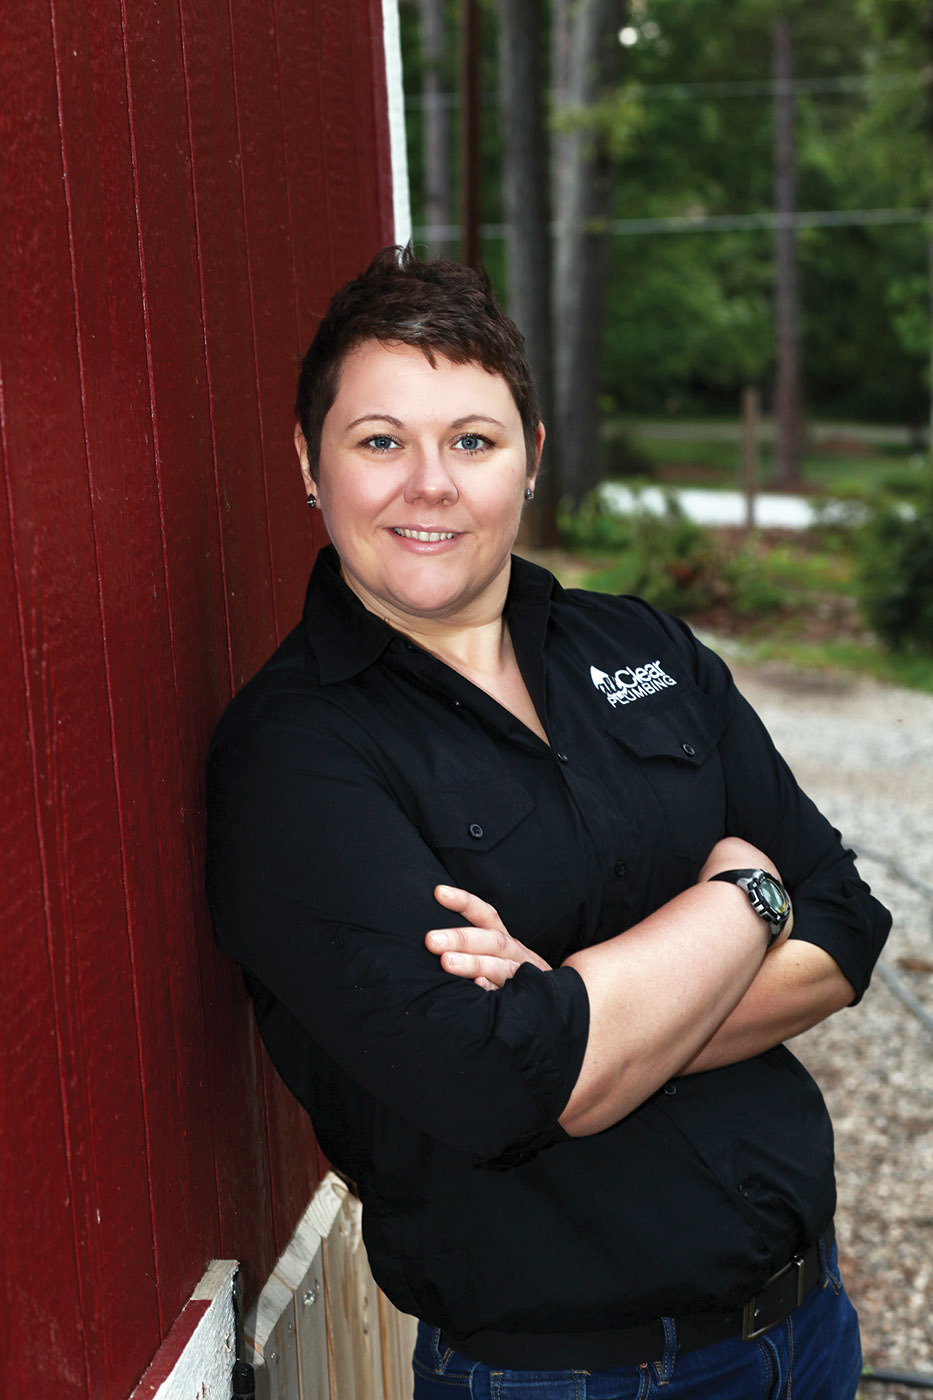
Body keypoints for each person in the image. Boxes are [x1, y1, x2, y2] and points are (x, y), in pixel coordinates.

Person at [206, 246, 891, 1399]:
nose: (430, 483)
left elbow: (846, 922)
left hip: (807, 1334)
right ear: (310, 464)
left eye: (473, 440)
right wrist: (743, 898)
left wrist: (585, 1012)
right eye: (381, 441)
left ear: (531, 457)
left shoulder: (643, 648)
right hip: (566, 1378)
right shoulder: (295, 757)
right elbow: (506, 1081)